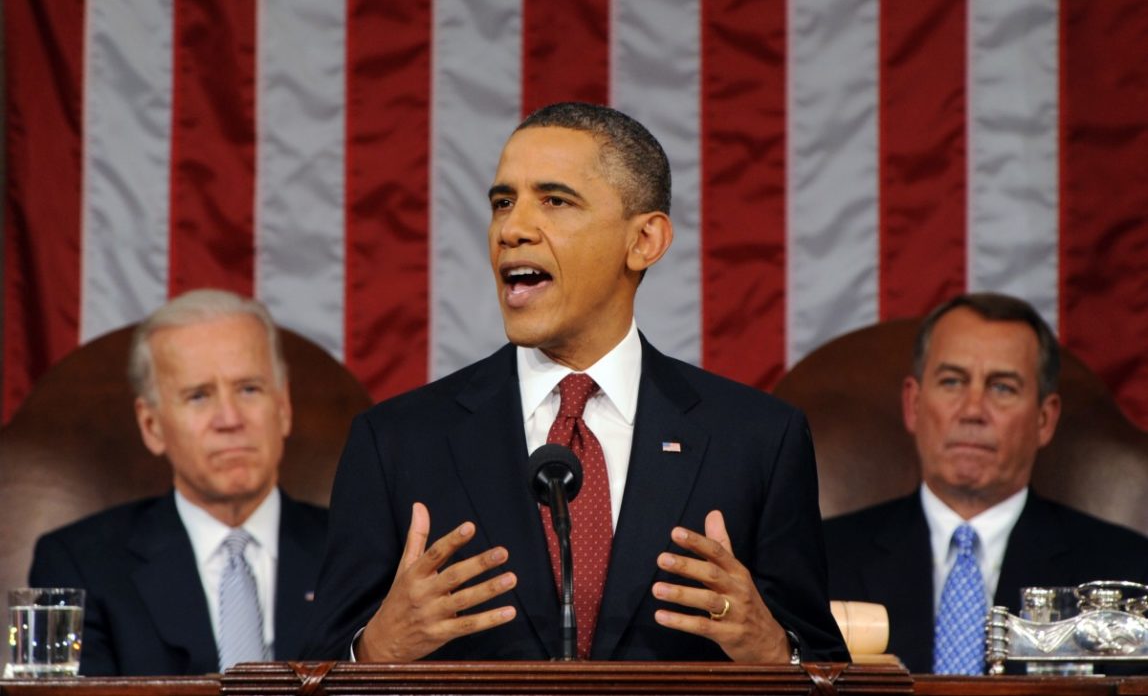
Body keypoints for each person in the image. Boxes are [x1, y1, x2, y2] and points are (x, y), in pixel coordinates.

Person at [303, 102, 847, 664]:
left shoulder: (756, 440)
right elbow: (310, 675)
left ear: (645, 241)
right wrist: (374, 649)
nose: (511, 229)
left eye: (555, 201)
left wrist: (775, 652)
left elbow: (829, 668)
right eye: (502, 203)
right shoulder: (396, 442)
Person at [822, 292, 1148, 673]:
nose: (973, 410)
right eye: (952, 381)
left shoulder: (1130, 573)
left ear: (1044, 419)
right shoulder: (823, 562)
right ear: (913, 405)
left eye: (1002, 387)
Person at [28, 289, 328, 675]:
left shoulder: (355, 550)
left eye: (249, 389)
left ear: (283, 407)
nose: (230, 419)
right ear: (151, 426)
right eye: (199, 396)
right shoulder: (78, 564)